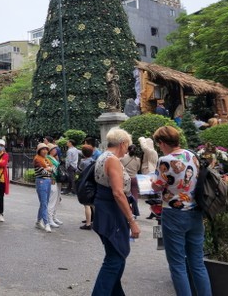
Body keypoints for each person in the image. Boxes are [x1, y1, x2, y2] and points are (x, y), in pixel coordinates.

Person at [152, 126, 212, 296]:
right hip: (195, 211)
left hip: (173, 213)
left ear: (162, 142)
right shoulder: (191, 155)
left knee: (177, 265)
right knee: (197, 263)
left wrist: (151, 181)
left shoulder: (165, 160)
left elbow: (157, 186)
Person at [91, 128, 140, 295]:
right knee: (115, 258)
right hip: (112, 211)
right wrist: (132, 220)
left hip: (106, 209)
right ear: (123, 143)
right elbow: (118, 193)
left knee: (117, 255)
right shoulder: (112, 160)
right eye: (128, 145)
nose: (128, 148)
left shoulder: (102, 156)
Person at [33, 143, 54, 232]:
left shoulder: (46, 160)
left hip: (47, 181)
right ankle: (46, 223)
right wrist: (49, 169)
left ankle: (38, 221)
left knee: (44, 203)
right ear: (39, 151)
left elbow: (53, 170)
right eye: (43, 149)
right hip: (41, 181)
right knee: (44, 203)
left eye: (46, 149)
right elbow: (43, 173)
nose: (45, 151)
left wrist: (49, 169)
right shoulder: (37, 160)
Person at [121, 144, 142, 218]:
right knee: (134, 195)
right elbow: (138, 169)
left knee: (125, 195)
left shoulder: (123, 157)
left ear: (128, 149)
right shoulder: (138, 159)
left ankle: (126, 211)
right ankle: (134, 212)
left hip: (125, 179)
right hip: (134, 178)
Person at [45, 143, 63, 227]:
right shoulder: (48, 158)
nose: (56, 150)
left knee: (56, 200)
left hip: (58, 180)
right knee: (52, 200)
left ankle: (54, 216)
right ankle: (49, 218)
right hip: (53, 180)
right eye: (54, 149)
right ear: (50, 151)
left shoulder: (54, 158)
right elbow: (50, 170)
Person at [78, 145, 95, 230]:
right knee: (93, 204)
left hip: (85, 183)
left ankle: (88, 223)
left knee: (86, 205)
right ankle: (94, 221)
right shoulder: (94, 161)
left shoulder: (83, 162)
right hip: (93, 184)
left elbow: (78, 171)